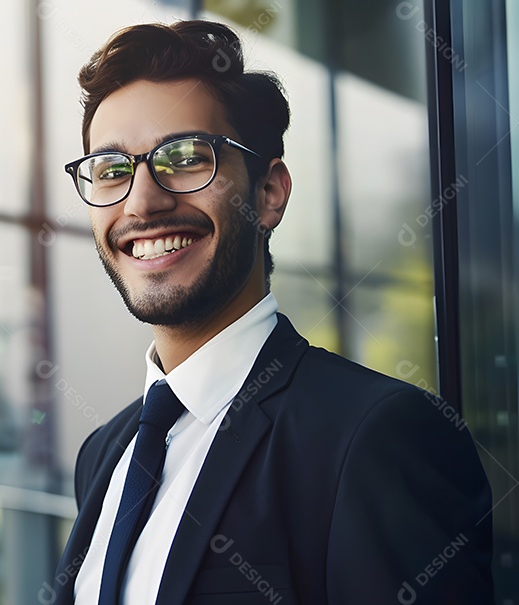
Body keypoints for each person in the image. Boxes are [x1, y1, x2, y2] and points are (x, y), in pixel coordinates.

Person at [44, 20, 494, 605]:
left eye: (184, 157)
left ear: (267, 194)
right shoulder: (105, 452)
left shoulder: (375, 437)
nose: (143, 200)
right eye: (111, 170)